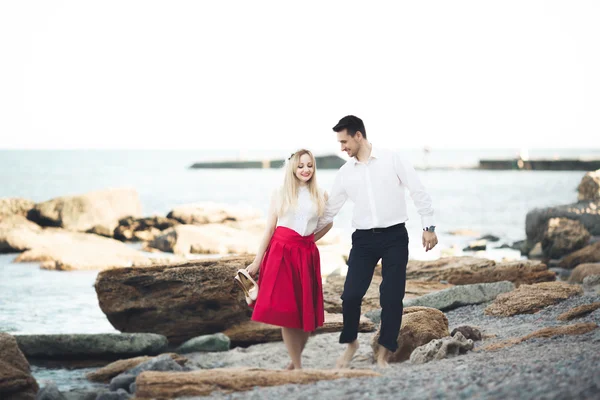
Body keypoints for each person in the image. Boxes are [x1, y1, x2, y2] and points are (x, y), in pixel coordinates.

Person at [315, 115, 438, 368]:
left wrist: (428, 227)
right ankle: (351, 344)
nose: (342, 148)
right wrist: (305, 237)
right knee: (350, 296)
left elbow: (418, 190)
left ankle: (384, 354)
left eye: (344, 141)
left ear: (358, 135)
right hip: (362, 241)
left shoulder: (392, 159)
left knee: (392, 299)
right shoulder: (345, 172)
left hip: (395, 237)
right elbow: (330, 211)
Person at [245, 149, 333, 370]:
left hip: (306, 254)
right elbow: (269, 229)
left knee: (306, 315)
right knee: (287, 313)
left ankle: (295, 364)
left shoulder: (321, 194)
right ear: (293, 168)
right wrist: (257, 261)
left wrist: (310, 240)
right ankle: (297, 365)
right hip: (281, 252)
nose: (305, 170)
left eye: (310, 165)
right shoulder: (281, 192)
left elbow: (328, 223)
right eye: (301, 165)